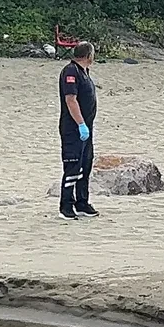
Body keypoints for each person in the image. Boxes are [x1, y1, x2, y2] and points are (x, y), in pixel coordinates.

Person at [58, 42, 100, 220]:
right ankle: (66, 205)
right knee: (73, 165)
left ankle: (82, 202)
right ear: (88, 55)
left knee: (86, 164)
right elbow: (71, 100)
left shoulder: (84, 72)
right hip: (73, 127)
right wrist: (80, 123)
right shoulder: (71, 71)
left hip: (87, 128)